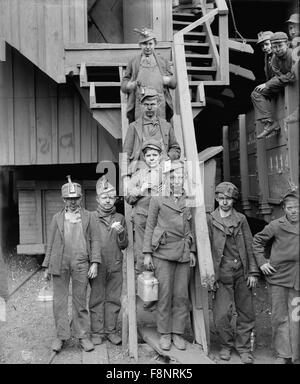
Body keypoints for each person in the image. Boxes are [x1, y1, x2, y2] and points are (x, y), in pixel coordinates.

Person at [142, 160, 196, 351]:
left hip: (182, 251)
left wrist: (193, 251)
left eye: (181, 176)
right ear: (167, 178)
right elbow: (149, 226)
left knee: (181, 295)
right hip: (163, 252)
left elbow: (192, 226)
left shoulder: (188, 198)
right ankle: (165, 333)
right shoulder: (157, 197)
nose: (177, 180)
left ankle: (177, 333)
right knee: (164, 295)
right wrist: (147, 253)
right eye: (173, 176)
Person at [43, 176, 100, 353]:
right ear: (63, 200)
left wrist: (95, 262)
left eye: (76, 198)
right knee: (59, 302)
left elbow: (96, 241)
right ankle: (61, 336)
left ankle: (82, 336)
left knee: (80, 301)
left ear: (81, 198)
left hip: (81, 263)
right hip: (60, 264)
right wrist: (46, 267)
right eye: (69, 199)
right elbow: (50, 243)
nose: (73, 202)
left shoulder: (90, 217)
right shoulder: (56, 219)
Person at [206, 182, 259, 364]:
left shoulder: (241, 219)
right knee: (221, 314)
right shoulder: (210, 219)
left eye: (228, 199)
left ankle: (243, 348)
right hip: (221, 273)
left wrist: (252, 272)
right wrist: (210, 274)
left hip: (241, 273)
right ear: (216, 199)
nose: (225, 202)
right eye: (221, 198)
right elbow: (206, 249)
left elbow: (251, 246)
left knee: (246, 312)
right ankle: (226, 346)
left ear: (233, 200)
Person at [252, 188, 299, 364]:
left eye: (297, 207)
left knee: (296, 317)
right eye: (290, 208)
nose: (294, 211)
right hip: (279, 277)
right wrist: (262, 262)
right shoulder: (276, 225)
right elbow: (257, 241)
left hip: (297, 280)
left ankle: (296, 355)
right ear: (284, 209)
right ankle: (283, 354)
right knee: (280, 317)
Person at [89, 176, 128, 346]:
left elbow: (125, 244)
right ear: (98, 199)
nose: (107, 201)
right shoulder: (90, 218)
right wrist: (92, 262)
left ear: (115, 199)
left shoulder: (120, 217)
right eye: (104, 197)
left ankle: (111, 331)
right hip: (97, 264)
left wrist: (121, 234)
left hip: (115, 263)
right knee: (97, 297)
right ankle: (97, 331)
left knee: (113, 298)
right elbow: (87, 243)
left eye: (111, 198)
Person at [125, 139, 164, 278]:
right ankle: (143, 288)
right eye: (148, 155)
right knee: (142, 252)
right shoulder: (139, 175)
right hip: (142, 219)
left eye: (154, 154)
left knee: (161, 250)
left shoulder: (166, 174)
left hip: (161, 218)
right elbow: (128, 197)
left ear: (160, 155)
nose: (151, 158)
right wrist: (142, 189)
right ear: (144, 157)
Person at [121, 27, 177, 123]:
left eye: (150, 44)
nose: (147, 47)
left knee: (160, 129)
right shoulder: (133, 62)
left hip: (159, 103)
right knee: (141, 131)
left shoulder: (163, 61)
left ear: (155, 44)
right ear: (140, 45)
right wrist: (130, 85)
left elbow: (174, 83)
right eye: (144, 44)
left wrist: (167, 80)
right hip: (140, 103)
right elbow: (124, 84)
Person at [123, 88, 181, 177]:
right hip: (140, 172)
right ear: (141, 105)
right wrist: (125, 176)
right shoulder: (133, 127)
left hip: (162, 171)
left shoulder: (166, 126)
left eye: (152, 104)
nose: (149, 107)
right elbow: (126, 154)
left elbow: (176, 149)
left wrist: (167, 157)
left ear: (158, 104)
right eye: (146, 104)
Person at [251, 32, 296, 139]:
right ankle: (269, 123)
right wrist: (270, 85)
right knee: (256, 93)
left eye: (266, 44)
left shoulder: (292, 55)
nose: (265, 48)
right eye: (262, 46)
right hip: (280, 84)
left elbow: (292, 76)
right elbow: (278, 76)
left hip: (291, 86)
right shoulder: (271, 58)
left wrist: (268, 84)